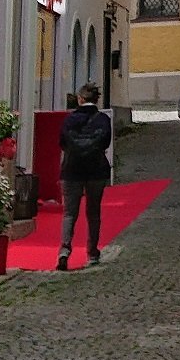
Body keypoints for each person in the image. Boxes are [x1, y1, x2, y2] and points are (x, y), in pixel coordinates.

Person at [57, 86, 115, 271]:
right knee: (93, 212)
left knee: (69, 213)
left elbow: (63, 143)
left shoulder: (70, 119)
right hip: (96, 170)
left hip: (72, 169)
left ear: (80, 99)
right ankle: (92, 252)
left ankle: (64, 251)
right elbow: (105, 142)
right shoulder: (103, 119)